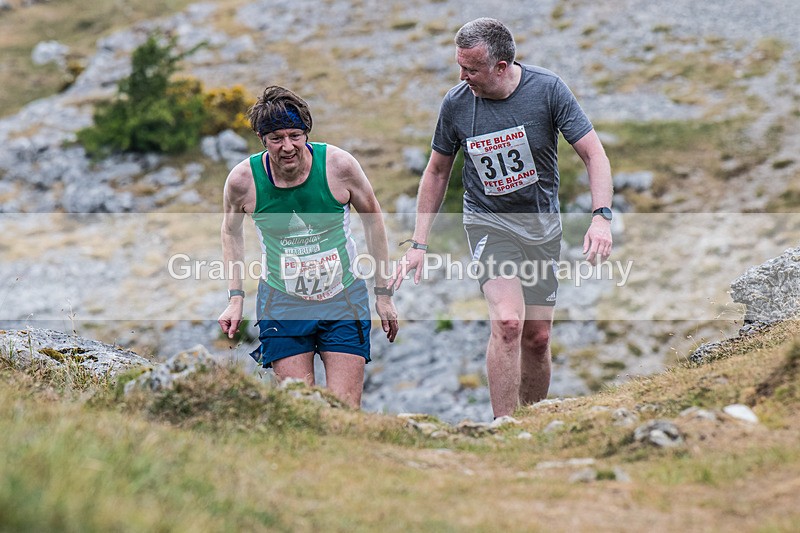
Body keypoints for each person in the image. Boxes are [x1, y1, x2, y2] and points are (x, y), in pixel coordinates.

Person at [393, 18, 613, 419]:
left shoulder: (547, 90)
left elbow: (594, 154)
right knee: (509, 322)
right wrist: (419, 243)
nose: (462, 76)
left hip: (541, 229)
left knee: (537, 337)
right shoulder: (457, 102)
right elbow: (437, 171)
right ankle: (503, 425)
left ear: (501, 65)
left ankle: (532, 424)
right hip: (488, 224)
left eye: (471, 69)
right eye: (459, 66)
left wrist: (601, 217)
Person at [218, 85, 398, 409]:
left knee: (343, 411)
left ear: (306, 134)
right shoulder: (243, 180)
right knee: (302, 411)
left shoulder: (339, 166)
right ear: (263, 140)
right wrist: (235, 298)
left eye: (295, 135)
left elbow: (374, 219)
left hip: (343, 299)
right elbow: (230, 232)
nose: (287, 146)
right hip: (283, 303)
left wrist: (383, 295)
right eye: (276, 138)